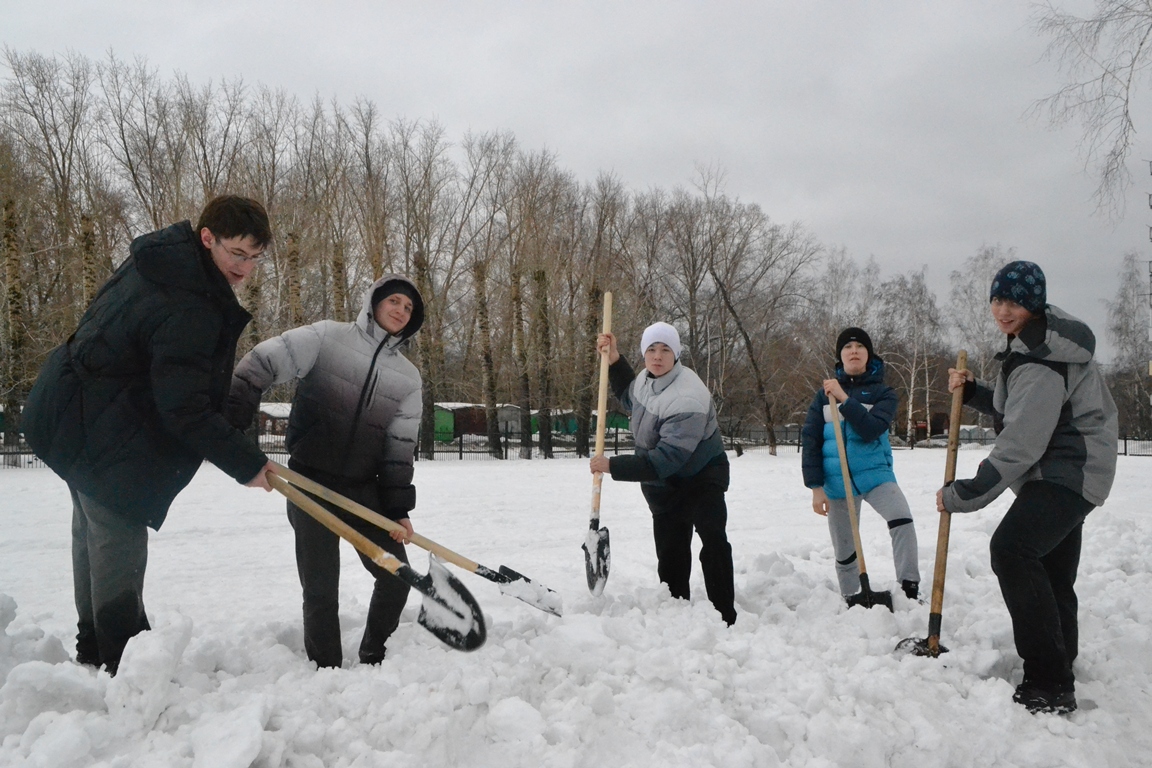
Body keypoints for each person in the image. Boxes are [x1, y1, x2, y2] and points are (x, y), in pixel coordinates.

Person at [22, 195, 278, 675]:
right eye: (237, 254)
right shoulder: (191, 302)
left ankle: (94, 649)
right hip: (104, 432)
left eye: (255, 257)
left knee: (93, 536)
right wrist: (246, 463)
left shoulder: (161, 260)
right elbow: (185, 405)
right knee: (116, 543)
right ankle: (126, 669)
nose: (245, 268)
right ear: (207, 238)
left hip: (72, 412)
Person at [937, 260, 1117, 715]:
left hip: (1066, 473)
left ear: (1034, 303)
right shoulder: (1039, 344)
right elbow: (1020, 409)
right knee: (1053, 572)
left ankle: (1050, 681)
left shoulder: (1040, 360)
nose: (1002, 310)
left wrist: (962, 494)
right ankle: (1060, 662)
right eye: (997, 300)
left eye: (1013, 301)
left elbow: (1018, 444)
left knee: (1012, 550)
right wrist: (976, 390)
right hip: (1073, 472)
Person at [225, 275, 424, 667]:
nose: (401, 311)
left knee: (396, 575)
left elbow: (399, 451)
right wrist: (231, 434)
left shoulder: (408, 378)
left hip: (364, 490)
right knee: (320, 590)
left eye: (409, 308)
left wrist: (399, 510)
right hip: (308, 483)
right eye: (395, 301)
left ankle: (374, 654)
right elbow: (260, 363)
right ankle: (326, 668)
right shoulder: (326, 338)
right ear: (375, 301)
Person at [588, 322, 736, 625]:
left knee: (712, 536)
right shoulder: (646, 379)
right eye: (651, 349)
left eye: (665, 350)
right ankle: (675, 607)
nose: (657, 356)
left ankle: (723, 613)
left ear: (676, 354)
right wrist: (614, 358)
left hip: (701, 474)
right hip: (662, 482)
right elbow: (630, 395)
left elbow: (666, 459)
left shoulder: (689, 396)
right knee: (670, 545)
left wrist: (613, 465)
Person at [801, 327, 920, 603]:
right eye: (847, 347)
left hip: (876, 476)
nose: (853, 351)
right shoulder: (822, 396)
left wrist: (844, 398)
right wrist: (816, 487)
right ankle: (852, 594)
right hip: (836, 480)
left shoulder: (883, 393)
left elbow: (870, 429)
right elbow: (810, 439)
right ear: (840, 356)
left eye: (859, 347)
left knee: (902, 520)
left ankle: (909, 588)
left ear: (869, 354)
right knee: (844, 547)